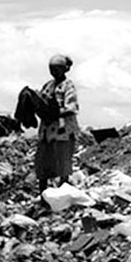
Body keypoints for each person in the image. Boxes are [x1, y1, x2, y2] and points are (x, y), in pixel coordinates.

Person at [36, 54, 79, 197]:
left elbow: (71, 108)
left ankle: (63, 197)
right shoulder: (48, 86)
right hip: (47, 132)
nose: (54, 72)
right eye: (51, 69)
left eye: (57, 69)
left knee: (63, 165)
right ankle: (43, 197)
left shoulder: (68, 86)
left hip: (63, 131)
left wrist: (56, 112)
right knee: (43, 164)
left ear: (64, 69)